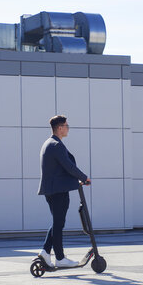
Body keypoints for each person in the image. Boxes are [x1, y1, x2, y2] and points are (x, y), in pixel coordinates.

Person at [37, 115, 90, 268]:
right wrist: (85, 178)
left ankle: (46, 252)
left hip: (52, 189)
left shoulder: (49, 143)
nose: (68, 128)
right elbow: (68, 166)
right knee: (58, 223)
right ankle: (59, 258)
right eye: (66, 125)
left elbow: (59, 168)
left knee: (57, 222)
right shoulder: (56, 145)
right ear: (60, 128)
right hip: (58, 190)